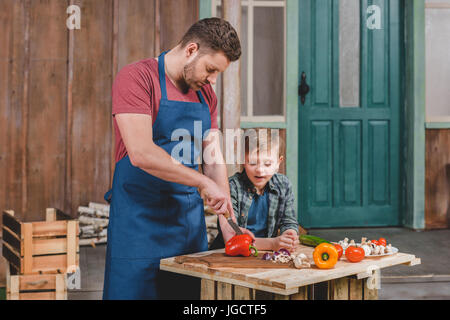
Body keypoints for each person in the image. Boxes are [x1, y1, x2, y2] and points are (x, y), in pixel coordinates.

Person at [103, 18, 252, 300]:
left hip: (186, 230)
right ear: (191, 49)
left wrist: (227, 223)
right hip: (137, 227)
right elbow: (141, 153)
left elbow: (213, 157)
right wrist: (201, 182)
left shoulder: (206, 94)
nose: (212, 80)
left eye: (218, 74)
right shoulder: (137, 78)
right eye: (210, 69)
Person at [210, 131, 300, 252]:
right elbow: (232, 235)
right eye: (252, 162)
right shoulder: (232, 186)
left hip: (263, 253)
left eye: (267, 164)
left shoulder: (283, 184)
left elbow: (289, 221)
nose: (260, 170)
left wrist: (289, 235)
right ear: (243, 161)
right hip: (230, 252)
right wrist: (272, 244)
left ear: (279, 162)